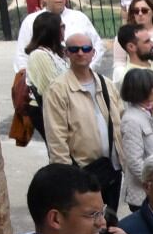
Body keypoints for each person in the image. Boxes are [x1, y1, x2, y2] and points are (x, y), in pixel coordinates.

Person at [43, 26, 123, 210]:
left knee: (109, 224)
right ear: (66, 53)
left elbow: (121, 122)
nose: (81, 53)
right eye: (74, 49)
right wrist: (66, 179)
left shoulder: (106, 84)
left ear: (93, 53)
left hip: (111, 169)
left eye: (86, 49)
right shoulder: (58, 90)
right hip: (81, 172)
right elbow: (57, 138)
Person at [15, 0, 101, 74]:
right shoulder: (31, 21)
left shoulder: (79, 17)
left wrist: (86, 70)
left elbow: (97, 46)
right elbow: (22, 55)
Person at [117, 70, 153, 213]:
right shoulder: (131, 119)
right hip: (143, 195)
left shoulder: (146, 112)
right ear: (143, 89)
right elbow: (134, 162)